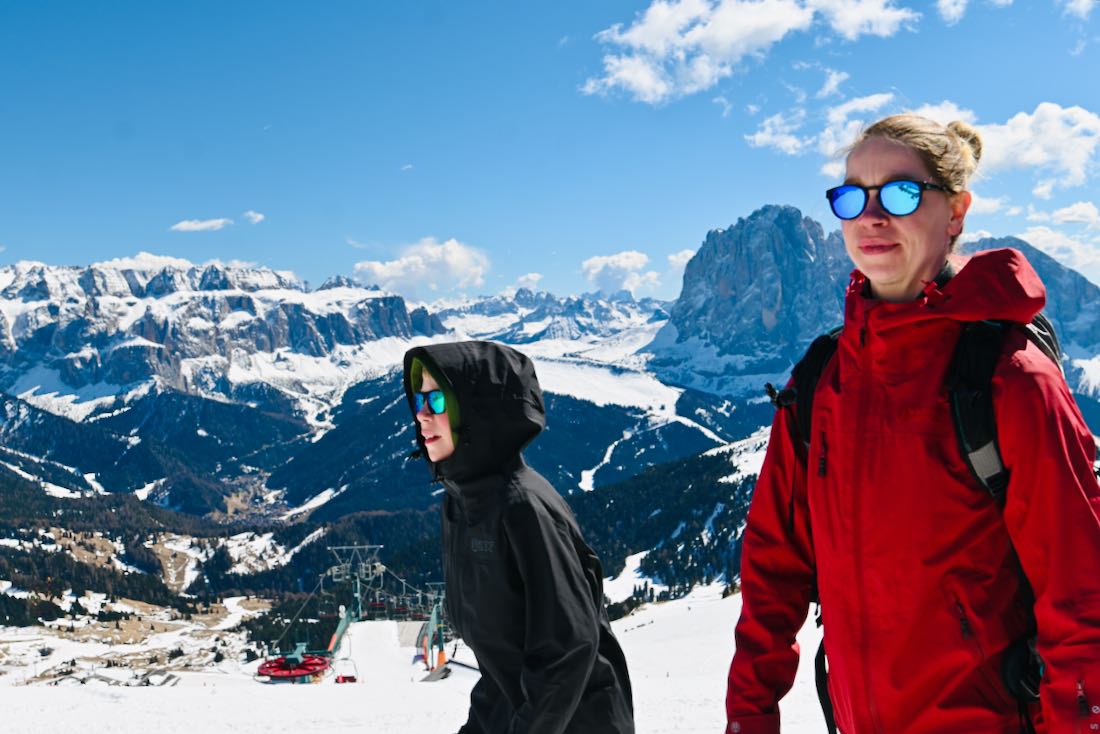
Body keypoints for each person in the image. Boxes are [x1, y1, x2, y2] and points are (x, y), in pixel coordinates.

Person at [725, 113, 1100, 733]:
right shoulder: (819, 382)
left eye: (901, 193)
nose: (871, 216)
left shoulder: (1009, 378)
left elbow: (1081, 596)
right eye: (852, 196)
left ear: (955, 212)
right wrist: (749, 713)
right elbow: (773, 569)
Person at [403, 340, 635, 734]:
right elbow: (503, 665)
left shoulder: (524, 507)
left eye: (438, 401)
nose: (423, 416)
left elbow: (566, 652)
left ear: (475, 410)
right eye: (418, 400)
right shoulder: (462, 503)